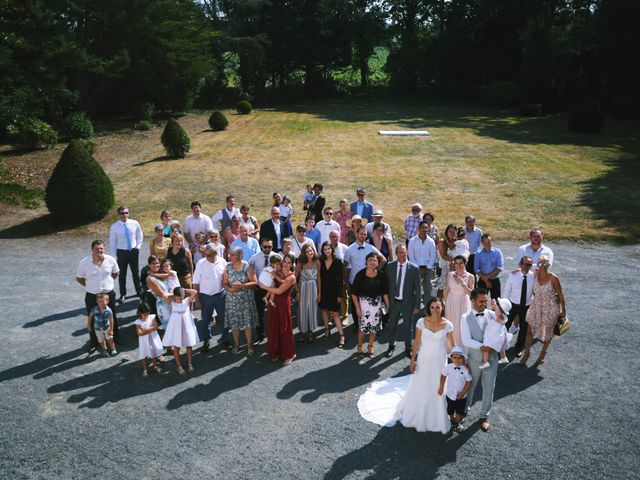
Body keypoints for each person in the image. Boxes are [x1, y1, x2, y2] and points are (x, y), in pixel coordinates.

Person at [357, 298, 454, 434]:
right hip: (424, 359)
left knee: (437, 385)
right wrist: (413, 359)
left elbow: (452, 346)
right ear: (428, 308)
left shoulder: (448, 325)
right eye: (432, 307)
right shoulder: (421, 322)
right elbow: (416, 343)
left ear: (442, 308)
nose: (435, 310)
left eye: (438, 307)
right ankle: (418, 412)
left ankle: (437, 415)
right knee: (422, 384)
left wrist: (458, 362)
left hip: (439, 360)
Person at [460, 288, 499, 432]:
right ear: (473, 301)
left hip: (493, 359)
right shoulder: (465, 317)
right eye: (481, 301)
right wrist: (485, 347)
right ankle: (464, 410)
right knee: (470, 386)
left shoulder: (493, 314)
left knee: (489, 388)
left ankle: (484, 416)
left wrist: (497, 308)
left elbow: (502, 327)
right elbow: (466, 340)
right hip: (474, 359)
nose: (484, 304)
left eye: (486, 301)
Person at [520, 256, 566, 366]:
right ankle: (527, 353)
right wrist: (516, 271)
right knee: (529, 331)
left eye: (545, 263)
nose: (543, 266)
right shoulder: (535, 273)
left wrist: (563, 311)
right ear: (538, 264)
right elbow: (524, 270)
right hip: (536, 306)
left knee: (547, 333)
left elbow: (560, 294)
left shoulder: (554, 278)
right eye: (540, 263)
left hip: (550, 308)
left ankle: (543, 353)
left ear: (549, 264)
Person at [76, 240, 120, 350]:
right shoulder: (84, 262)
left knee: (112, 316)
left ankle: (115, 338)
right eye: (97, 248)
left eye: (101, 248)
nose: (99, 250)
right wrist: (90, 286)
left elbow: (115, 273)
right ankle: (94, 342)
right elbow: (79, 278)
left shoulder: (111, 260)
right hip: (92, 295)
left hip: (108, 294)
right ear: (92, 250)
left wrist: (108, 283)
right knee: (92, 318)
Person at [344, 227, 386, 328]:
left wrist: (376, 271)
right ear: (356, 234)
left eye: (365, 234)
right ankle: (356, 325)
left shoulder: (370, 247)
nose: (363, 236)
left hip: (369, 280)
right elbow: (345, 267)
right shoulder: (349, 249)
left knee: (370, 303)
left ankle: (372, 324)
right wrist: (346, 283)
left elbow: (383, 260)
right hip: (354, 280)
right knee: (355, 304)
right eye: (361, 234)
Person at [385, 245, 421, 358]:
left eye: (404, 252)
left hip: (407, 303)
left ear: (407, 253)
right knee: (392, 325)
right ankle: (391, 345)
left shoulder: (414, 268)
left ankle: (408, 348)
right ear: (396, 253)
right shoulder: (390, 266)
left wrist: (417, 305)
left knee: (408, 327)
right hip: (394, 302)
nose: (402, 254)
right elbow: (386, 285)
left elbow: (418, 289)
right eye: (400, 252)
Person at [351, 252, 390, 358]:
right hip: (363, 306)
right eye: (370, 260)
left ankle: (370, 347)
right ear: (366, 262)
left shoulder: (381, 274)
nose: (372, 262)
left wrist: (388, 305)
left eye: (375, 260)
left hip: (377, 306)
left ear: (378, 263)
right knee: (362, 328)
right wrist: (357, 308)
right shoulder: (360, 274)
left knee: (374, 328)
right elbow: (353, 293)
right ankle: (359, 347)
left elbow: (385, 292)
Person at [192, 243, 229, 351]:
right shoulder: (200, 263)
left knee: (224, 319)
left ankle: (225, 340)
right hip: (205, 296)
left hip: (220, 295)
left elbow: (227, 276)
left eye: (210, 254)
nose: (207, 257)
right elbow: (195, 283)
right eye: (206, 255)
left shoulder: (222, 261)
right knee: (206, 321)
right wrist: (197, 300)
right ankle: (206, 341)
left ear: (215, 253)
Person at [223, 247, 258, 355]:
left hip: (246, 299)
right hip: (232, 300)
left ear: (238, 255)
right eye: (230, 254)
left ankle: (249, 345)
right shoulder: (228, 266)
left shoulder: (247, 266)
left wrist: (242, 285)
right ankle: (236, 345)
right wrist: (230, 289)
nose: (230, 256)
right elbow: (224, 282)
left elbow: (254, 282)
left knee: (248, 324)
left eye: (232, 255)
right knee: (234, 324)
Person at [264, 254, 297, 365]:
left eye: (289, 263)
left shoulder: (292, 277)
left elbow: (278, 291)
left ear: (292, 264)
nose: (286, 265)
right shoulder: (278, 270)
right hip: (273, 304)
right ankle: (275, 351)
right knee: (274, 326)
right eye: (285, 262)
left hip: (283, 303)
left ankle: (290, 354)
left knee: (284, 327)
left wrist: (264, 287)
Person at [109, 206, 143, 303]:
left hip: (133, 251)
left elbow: (139, 235)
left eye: (126, 213)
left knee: (136, 272)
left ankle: (138, 291)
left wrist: (138, 247)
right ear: (119, 215)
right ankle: (123, 294)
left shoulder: (135, 223)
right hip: (121, 252)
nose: (125, 215)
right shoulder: (114, 227)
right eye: (122, 213)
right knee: (122, 274)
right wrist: (114, 256)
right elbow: (113, 242)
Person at [162, 287, 200, 375]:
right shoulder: (172, 303)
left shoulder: (186, 301)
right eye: (178, 298)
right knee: (176, 347)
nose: (180, 299)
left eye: (182, 297)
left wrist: (183, 290)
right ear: (175, 297)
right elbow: (164, 295)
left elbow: (194, 292)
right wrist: (174, 294)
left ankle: (190, 364)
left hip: (186, 327)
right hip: (176, 328)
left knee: (189, 345)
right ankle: (179, 366)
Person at [503, 256, 534, 356]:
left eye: (528, 264)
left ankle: (518, 348)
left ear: (531, 266)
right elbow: (507, 290)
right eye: (524, 263)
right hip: (512, 305)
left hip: (526, 306)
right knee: (505, 325)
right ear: (520, 264)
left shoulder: (533, 276)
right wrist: (504, 306)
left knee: (523, 328)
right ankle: (500, 347)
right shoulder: (513, 275)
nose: (526, 266)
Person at [438, 346, 473, 432]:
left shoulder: (465, 369)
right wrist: (441, 387)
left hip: (461, 396)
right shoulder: (448, 367)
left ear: (463, 358)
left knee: (459, 410)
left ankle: (457, 423)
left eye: (460, 358)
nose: (457, 360)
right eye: (455, 357)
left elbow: (469, 381)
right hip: (450, 394)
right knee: (450, 409)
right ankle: (452, 420)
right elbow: (443, 375)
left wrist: (463, 392)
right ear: (451, 358)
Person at [443, 255, 475, 348]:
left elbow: (471, 294)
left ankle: (461, 348)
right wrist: (444, 303)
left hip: (463, 303)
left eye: (461, 263)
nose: (458, 265)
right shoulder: (450, 274)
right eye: (456, 263)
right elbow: (446, 290)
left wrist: (462, 283)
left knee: (461, 326)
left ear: (465, 263)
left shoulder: (470, 276)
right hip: (451, 302)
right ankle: (450, 347)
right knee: (451, 324)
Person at [318, 242, 346, 347]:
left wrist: (340, 294)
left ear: (332, 250)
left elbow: (340, 279)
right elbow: (319, 277)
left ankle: (341, 335)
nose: (327, 251)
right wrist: (319, 292)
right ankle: (326, 330)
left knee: (335, 313)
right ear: (323, 251)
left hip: (334, 291)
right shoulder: (320, 261)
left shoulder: (338, 262)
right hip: (324, 290)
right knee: (324, 310)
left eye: (328, 249)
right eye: (325, 249)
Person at [249, 238, 277, 342]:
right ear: (261, 246)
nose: (267, 248)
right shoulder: (254, 258)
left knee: (274, 311)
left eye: (269, 246)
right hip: (259, 288)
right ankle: (260, 334)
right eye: (265, 246)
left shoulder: (277, 256)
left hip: (273, 288)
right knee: (259, 313)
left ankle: (274, 332)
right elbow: (249, 270)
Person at [408, 221, 437, 309]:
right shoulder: (412, 241)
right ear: (418, 229)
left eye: (426, 228)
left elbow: (433, 256)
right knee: (415, 289)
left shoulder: (431, 241)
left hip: (428, 269)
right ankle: (415, 306)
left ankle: (428, 307)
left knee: (429, 289)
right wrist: (418, 268)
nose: (424, 229)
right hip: (415, 268)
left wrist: (427, 268)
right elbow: (411, 256)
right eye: (423, 228)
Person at [296, 244, 320, 344]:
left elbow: (319, 278)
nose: (309, 253)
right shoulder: (301, 262)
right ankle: (301, 332)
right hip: (303, 287)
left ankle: (311, 332)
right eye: (307, 252)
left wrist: (320, 293)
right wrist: (297, 291)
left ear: (313, 251)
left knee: (313, 310)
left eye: (310, 251)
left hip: (313, 287)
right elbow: (294, 277)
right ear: (304, 253)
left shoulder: (317, 262)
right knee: (302, 310)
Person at [479, 298, 513, 369]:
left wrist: (495, 306)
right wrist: (494, 305)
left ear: (500, 308)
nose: (496, 304)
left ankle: (485, 362)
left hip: (494, 336)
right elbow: (494, 312)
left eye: (497, 304)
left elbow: (498, 315)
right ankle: (503, 357)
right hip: (496, 335)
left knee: (486, 348)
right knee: (501, 347)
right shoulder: (498, 314)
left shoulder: (502, 317)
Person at [134, 303, 164, 378]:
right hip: (144, 341)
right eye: (144, 314)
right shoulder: (138, 322)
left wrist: (146, 329)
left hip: (153, 339)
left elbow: (156, 326)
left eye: (147, 313)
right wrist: (151, 329)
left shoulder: (151, 317)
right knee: (144, 354)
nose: (146, 315)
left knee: (153, 352)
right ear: (140, 313)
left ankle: (155, 366)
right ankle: (145, 369)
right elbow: (139, 333)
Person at [145, 255, 172, 330]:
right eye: (153, 263)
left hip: (170, 301)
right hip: (164, 306)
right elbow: (162, 295)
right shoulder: (150, 279)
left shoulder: (160, 274)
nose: (156, 265)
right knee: (169, 329)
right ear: (149, 265)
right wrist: (173, 306)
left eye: (157, 263)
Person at [474, 234, 504, 300]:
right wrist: (486, 280)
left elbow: (500, 267)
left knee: (496, 302)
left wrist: (486, 278)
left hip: (495, 280)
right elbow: (476, 269)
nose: (487, 244)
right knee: (481, 301)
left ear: (491, 241)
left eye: (489, 242)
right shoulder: (478, 253)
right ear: (482, 243)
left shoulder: (498, 252)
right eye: (485, 243)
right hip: (482, 281)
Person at [435, 224, 458, 299]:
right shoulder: (442, 242)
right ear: (446, 232)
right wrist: (454, 260)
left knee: (453, 288)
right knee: (441, 288)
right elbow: (443, 256)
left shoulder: (458, 243)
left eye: (453, 231)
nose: (452, 233)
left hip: (455, 268)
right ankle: (438, 303)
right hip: (443, 269)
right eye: (450, 231)